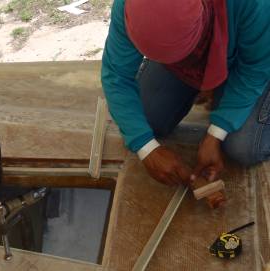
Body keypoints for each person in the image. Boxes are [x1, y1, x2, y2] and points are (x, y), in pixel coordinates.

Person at [101, 0, 270, 186]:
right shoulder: (129, 6)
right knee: (145, 117)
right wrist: (146, 148)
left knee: (243, 147)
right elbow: (117, 75)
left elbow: (254, 71)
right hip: (187, 34)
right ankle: (206, 76)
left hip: (259, 47)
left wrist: (217, 132)